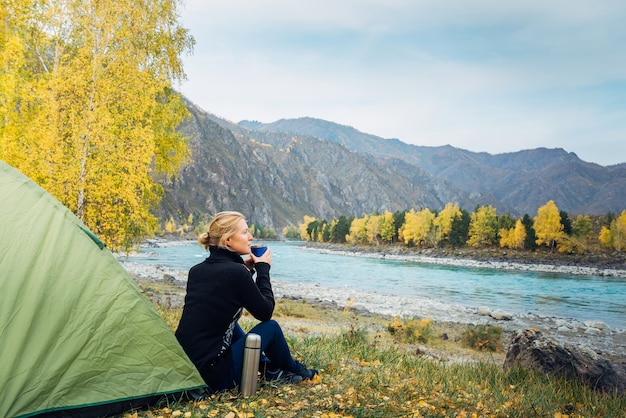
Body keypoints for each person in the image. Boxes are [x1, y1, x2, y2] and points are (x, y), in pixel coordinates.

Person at [175, 211, 318, 393]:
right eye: (244, 232)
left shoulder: (196, 271)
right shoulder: (236, 272)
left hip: (188, 370)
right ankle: (297, 369)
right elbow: (265, 312)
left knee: (229, 323)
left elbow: (223, 297)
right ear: (228, 240)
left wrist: (247, 271)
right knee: (271, 327)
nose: (250, 237)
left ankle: (268, 369)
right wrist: (263, 270)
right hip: (217, 377)